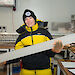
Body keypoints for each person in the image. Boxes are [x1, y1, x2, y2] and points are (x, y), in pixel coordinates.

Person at [14, 9, 63, 75]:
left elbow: (51, 51)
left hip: (44, 70)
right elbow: (17, 54)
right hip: (27, 70)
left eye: (30, 18)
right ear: (24, 21)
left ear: (34, 19)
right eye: (26, 19)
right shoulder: (22, 36)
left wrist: (55, 50)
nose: (28, 21)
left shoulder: (44, 32)